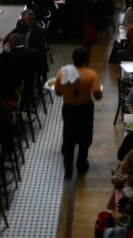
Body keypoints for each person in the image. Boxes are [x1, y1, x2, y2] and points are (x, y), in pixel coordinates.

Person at [54, 47, 102, 178]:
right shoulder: (91, 74)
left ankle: (68, 168)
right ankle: (81, 165)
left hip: (69, 109)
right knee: (84, 138)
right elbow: (97, 95)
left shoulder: (63, 72)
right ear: (86, 60)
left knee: (68, 137)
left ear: (72, 59)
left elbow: (58, 93)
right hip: (85, 109)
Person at [0, 33, 47, 98]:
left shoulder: (8, 56)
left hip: (14, 85)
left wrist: (5, 51)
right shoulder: (33, 53)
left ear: (12, 44)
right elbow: (41, 66)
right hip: (29, 81)